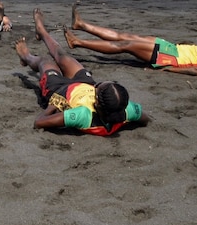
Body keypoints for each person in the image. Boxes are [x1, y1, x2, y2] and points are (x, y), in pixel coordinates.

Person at [13, 8, 148, 136]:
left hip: (59, 90)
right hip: (85, 84)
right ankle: (42, 32)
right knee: (63, 56)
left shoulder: (83, 115)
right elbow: (145, 119)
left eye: (99, 88)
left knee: (45, 61)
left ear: (97, 103)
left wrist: (52, 106)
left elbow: (39, 122)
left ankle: (26, 57)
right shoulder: (126, 110)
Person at [64, 3, 197, 76]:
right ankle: (81, 26)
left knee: (125, 45)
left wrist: (169, 69)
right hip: (173, 48)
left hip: (172, 59)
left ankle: (78, 42)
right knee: (127, 36)